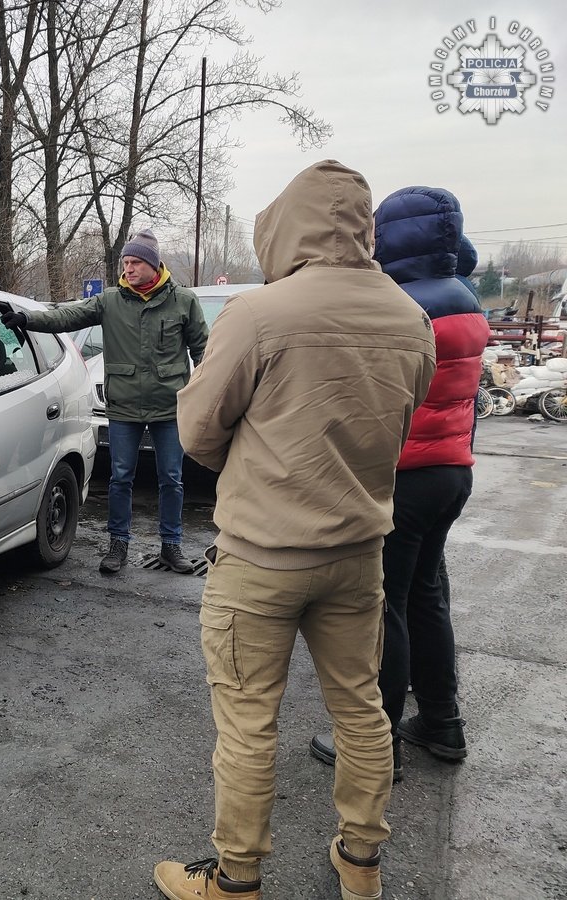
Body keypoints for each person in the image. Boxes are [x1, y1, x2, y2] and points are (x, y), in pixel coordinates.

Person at [155, 160, 436, 900]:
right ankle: (361, 865)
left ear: (285, 226)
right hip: (358, 555)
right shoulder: (411, 319)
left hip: (261, 558)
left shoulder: (258, 314)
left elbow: (197, 430)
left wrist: (257, 463)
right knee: (362, 709)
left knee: (248, 722)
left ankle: (236, 880)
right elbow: (399, 423)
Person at [310, 188, 489, 780]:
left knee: (384, 606)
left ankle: (375, 742)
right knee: (426, 595)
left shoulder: (402, 306)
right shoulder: (464, 296)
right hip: (452, 471)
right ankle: (441, 720)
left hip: (404, 477)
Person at [0, 230, 207, 574]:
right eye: (125, 262)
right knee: (120, 477)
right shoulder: (110, 301)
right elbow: (67, 316)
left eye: (136, 262)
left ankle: (171, 545)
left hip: (169, 407)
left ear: (154, 265)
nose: (129, 268)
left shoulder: (182, 301)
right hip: (124, 405)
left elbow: (203, 350)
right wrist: (29, 319)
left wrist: (206, 392)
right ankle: (118, 545)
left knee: (171, 478)